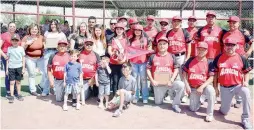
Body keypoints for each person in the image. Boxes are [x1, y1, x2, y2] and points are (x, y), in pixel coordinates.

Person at [212, 38, 252, 129]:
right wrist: (215, 87)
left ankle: (245, 119)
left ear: (236, 46)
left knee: (246, 92)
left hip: (237, 86)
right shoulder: (219, 57)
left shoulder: (241, 58)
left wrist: (245, 81)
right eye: (228, 45)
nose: (230, 47)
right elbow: (215, 74)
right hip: (224, 87)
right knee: (224, 111)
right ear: (224, 46)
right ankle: (225, 106)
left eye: (232, 45)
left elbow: (246, 72)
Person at [222, 16, 253, 108]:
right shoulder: (224, 34)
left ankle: (239, 99)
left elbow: (253, 42)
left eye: (234, 22)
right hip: (228, 58)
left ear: (239, 24)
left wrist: (249, 52)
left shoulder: (243, 33)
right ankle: (229, 99)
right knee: (230, 77)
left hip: (240, 59)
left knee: (241, 79)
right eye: (230, 22)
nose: (232, 24)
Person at [147, 36, 185, 113]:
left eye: (164, 44)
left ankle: (175, 104)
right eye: (160, 44)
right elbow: (148, 69)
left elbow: (176, 69)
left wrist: (171, 80)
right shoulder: (153, 56)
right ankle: (166, 94)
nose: (162, 46)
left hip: (169, 83)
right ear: (157, 46)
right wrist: (152, 80)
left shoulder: (172, 56)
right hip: (158, 84)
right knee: (158, 103)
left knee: (181, 84)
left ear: (167, 45)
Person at [182, 41, 216, 122]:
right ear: (197, 49)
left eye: (203, 50)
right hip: (193, 88)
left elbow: (211, 78)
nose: (201, 51)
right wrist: (187, 86)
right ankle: (200, 100)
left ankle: (209, 114)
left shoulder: (209, 62)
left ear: (207, 51)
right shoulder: (191, 60)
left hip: (203, 87)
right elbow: (184, 73)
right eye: (199, 49)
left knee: (211, 90)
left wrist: (202, 87)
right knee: (193, 109)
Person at [166, 16, 192, 103]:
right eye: (174, 21)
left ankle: (184, 95)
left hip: (181, 56)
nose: (176, 23)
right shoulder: (168, 32)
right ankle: (170, 94)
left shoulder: (185, 32)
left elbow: (189, 45)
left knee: (182, 76)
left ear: (181, 23)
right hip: (170, 56)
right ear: (172, 23)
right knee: (170, 75)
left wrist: (187, 57)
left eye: (178, 21)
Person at [42, 19, 67, 96]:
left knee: (56, 71)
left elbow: (65, 43)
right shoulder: (47, 33)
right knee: (47, 72)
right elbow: (43, 41)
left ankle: (56, 90)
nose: (53, 25)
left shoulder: (61, 34)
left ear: (57, 25)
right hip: (48, 52)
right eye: (51, 24)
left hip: (57, 52)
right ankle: (45, 90)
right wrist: (44, 45)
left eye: (54, 24)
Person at [21, 23, 45, 96]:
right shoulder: (26, 37)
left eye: (35, 29)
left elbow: (45, 46)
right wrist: (27, 44)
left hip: (40, 58)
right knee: (32, 74)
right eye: (32, 29)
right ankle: (33, 90)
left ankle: (40, 85)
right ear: (29, 30)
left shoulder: (41, 37)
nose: (34, 30)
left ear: (38, 30)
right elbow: (21, 49)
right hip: (30, 58)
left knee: (45, 73)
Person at [129, 25, 150, 104]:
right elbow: (128, 51)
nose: (137, 31)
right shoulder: (131, 40)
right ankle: (136, 96)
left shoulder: (145, 39)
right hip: (133, 63)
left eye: (139, 30)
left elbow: (149, 49)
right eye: (136, 30)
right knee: (135, 80)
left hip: (143, 62)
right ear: (133, 31)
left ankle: (145, 97)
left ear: (142, 31)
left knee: (143, 80)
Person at [107, 23, 129, 95]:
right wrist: (114, 56)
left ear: (123, 30)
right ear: (115, 30)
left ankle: (122, 97)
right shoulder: (112, 39)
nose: (119, 30)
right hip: (114, 63)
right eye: (117, 29)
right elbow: (109, 50)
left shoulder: (126, 40)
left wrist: (123, 60)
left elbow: (127, 51)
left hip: (123, 63)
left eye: (120, 29)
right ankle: (115, 97)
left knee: (122, 80)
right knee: (115, 81)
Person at [78, 38, 100, 103]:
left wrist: (93, 79)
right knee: (81, 98)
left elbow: (99, 69)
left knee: (96, 94)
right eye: (87, 44)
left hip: (93, 79)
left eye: (91, 44)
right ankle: (89, 89)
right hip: (83, 79)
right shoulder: (79, 54)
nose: (89, 46)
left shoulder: (96, 55)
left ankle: (93, 88)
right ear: (84, 45)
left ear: (93, 45)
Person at [0, 22, 19, 97]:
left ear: (15, 27)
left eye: (13, 26)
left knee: (15, 74)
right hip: (7, 57)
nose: (12, 27)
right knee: (8, 74)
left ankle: (14, 90)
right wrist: (4, 55)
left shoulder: (17, 35)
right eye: (10, 26)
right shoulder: (3, 35)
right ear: (8, 27)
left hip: (15, 57)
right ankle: (8, 91)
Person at [6, 34, 25, 103]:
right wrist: (6, 69)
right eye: (13, 40)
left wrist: (23, 68)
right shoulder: (9, 49)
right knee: (12, 82)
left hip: (19, 67)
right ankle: (11, 96)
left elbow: (23, 58)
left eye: (16, 40)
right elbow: (7, 59)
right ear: (11, 41)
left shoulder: (21, 48)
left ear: (19, 41)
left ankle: (19, 94)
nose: (15, 42)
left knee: (18, 82)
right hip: (11, 68)